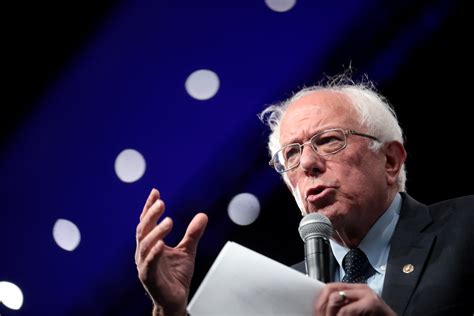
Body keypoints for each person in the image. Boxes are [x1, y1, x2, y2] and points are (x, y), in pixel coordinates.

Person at [135, 76, 473, 315]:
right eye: (291, 155)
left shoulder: (466, 227)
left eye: (328, 140)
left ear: (389, 160)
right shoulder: (272, 296)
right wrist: (169, 308)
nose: (308, 163)